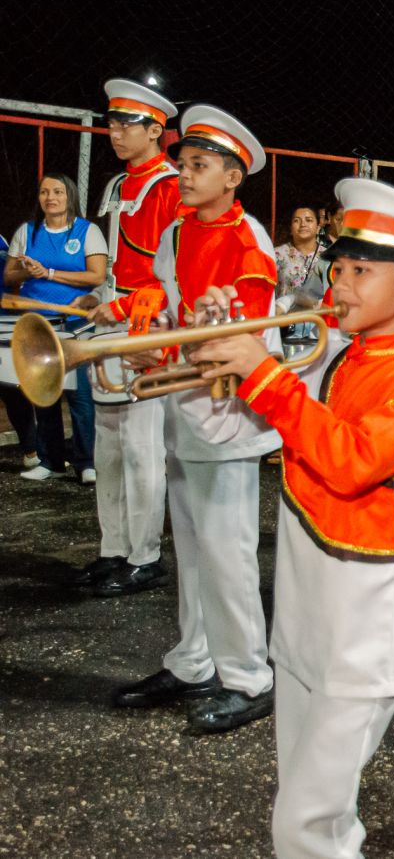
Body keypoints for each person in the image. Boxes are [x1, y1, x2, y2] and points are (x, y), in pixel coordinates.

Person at [188, 177, 394, 859]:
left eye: (361, 271)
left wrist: (264, 375)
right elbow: (229, 432)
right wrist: (212, 352)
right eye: (338, 269)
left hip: (363, 622)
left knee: (304, 827)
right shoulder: (331, 353)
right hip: (303, 613)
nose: (338, 283)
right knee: (313, 817)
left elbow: (351, 461)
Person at [108, 105, 279, 734]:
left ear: (232, 177)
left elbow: (244, 337)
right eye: (183, 163)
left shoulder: (249, 240)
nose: (183, 174)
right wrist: (142, 331)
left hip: (227, 412)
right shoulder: (177, 232)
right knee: (192, 548)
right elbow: (166, 303)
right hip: (185, 404)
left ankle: (250, 678)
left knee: (227, 553)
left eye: (199, 165)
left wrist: (177, 345)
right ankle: (193, 660)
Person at [78, 78, 181, 596]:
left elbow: (173, 274)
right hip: (113, 318)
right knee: (109, 448)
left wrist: (120, 305)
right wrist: (98, 297)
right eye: (112, 124)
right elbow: (119, 263)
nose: (115, 133)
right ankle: (112, 549)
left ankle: (145, 556)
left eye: (126, 124)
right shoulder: (120, 184)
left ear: (155, 129)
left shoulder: (169, 186)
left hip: (147, 325)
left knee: (142, 449)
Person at [3, 171, 106, 483]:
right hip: (37, 324)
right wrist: (28, 271)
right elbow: (9, 276)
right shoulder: (27, 231)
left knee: (80, 396)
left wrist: (48, 273)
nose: (51, 198)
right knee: (43, 393)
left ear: (70, 196)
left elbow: (96, 276)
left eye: (58, 192)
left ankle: (87, 462)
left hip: (76, 324)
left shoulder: (87, 231)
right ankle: (50, 461)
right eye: (45, 192)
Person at [274, 205, 328, 302]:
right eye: (297, 220)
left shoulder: (329, 257)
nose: (303, 224)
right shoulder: (276, 255)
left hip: (319, 311)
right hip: (283, 311)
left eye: (309, 220)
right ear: (291, 229)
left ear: (318, 228)